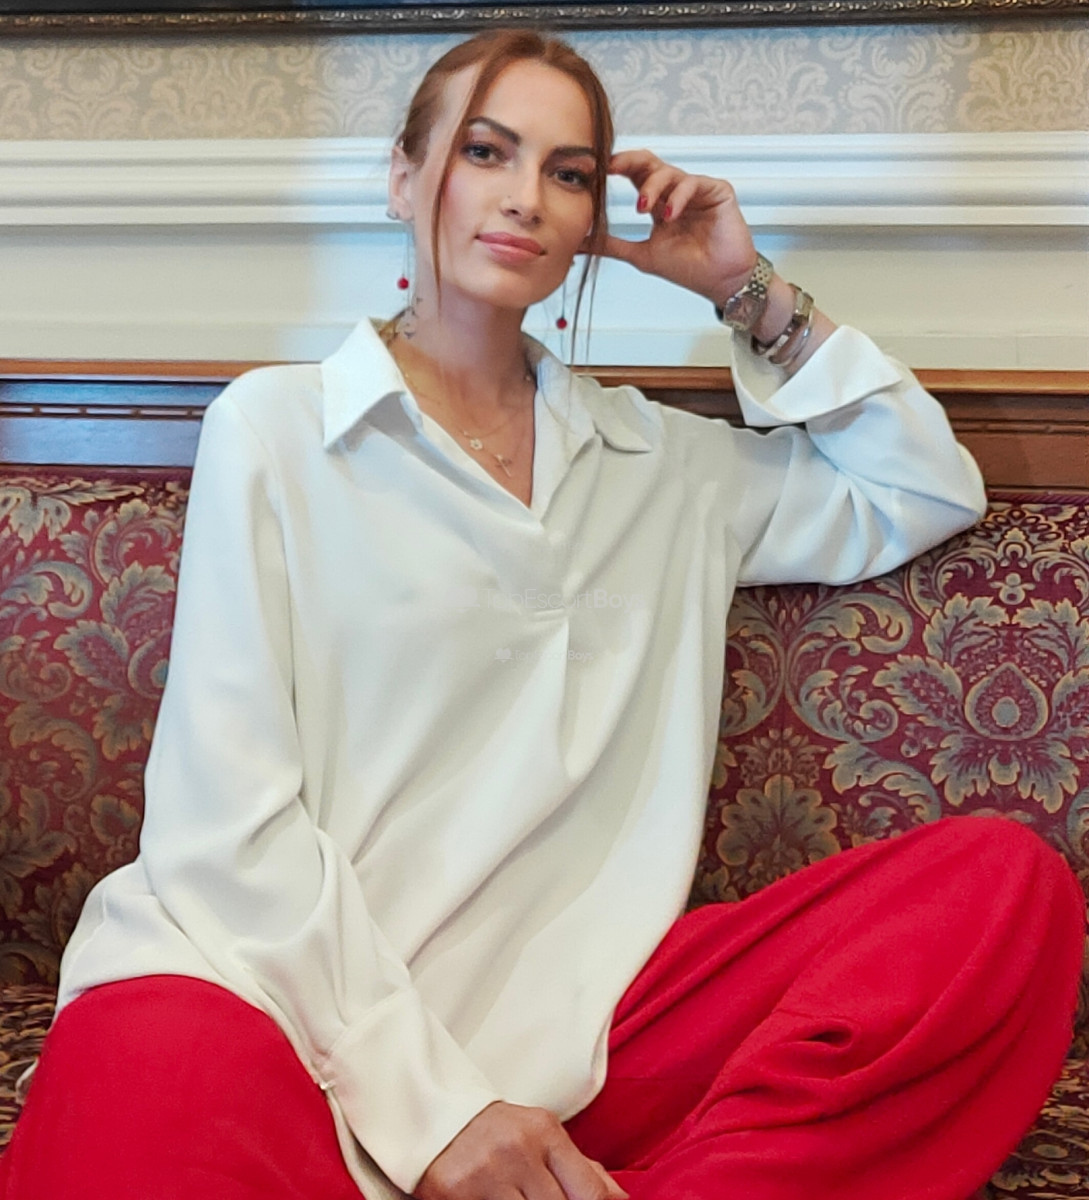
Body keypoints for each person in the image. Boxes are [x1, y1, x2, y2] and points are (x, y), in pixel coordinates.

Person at [0, 29, 1082, 1200]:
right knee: (145, 1061)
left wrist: (740, 287)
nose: (525, 196)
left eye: (568, 173)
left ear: (589, 219)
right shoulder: (276, 431)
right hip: (281, 1006)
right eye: (485, 152)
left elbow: (922, 489)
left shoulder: (662, 466)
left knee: (1000, 891)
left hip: (570, 1038)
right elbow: (222, 831)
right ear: (404, 176)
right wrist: (437, 1115)